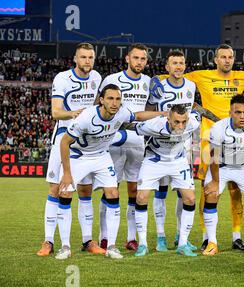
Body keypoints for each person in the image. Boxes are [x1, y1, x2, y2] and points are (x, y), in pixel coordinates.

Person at [152, 44, 244, 252]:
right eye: (223, 57)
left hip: (240, 141)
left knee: (237, 191)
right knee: (208, 189)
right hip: (210, 140)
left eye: (230, 57)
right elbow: (174, 75)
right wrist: (153, 81)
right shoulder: (201, 76)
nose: (227, 60)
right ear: (215, 60)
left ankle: (237, 236)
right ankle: (206, 237)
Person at [57, 84, 163, 260]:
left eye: (118, 99)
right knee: (66, 194)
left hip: (101, 157)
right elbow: (64, 142)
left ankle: (112, 246)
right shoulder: (86, 118)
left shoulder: (121, 112)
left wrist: (162, 114)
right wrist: (67, 173)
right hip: (79, 156)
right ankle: (65, 246)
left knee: (113, 193)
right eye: (110, 98)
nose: (115, 103)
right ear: (101, 100)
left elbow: (138, 116)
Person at [37, 43, 103, 257]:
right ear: (75, 58)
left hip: (87, 141)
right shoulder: (63, 79)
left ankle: (87, 241)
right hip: (64, 137)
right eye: (83, 57)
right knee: (56, 189)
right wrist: (78, 113)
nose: (87, 61)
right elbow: (56, 112)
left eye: (90, 57)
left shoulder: (97, 78)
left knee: (85, 190)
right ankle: (48, 241)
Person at [96, 43, 152, 252]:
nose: (139, 62)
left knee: (134, 190)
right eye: (135, 58)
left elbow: (150, 110)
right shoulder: (112, 80)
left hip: (138, 141)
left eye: (143, 59)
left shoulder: (148, 82)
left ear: (146, 61)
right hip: (115, 139)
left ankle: (131, 238)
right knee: (111, 189)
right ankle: (104, 237)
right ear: (127, 58)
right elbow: (99, 106)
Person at [130, 104, 200, 257]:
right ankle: (142, 244)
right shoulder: (153, 125)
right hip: (154, 161)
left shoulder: (193, 122)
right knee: (141, 197)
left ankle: (182, 243)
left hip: (178, 162)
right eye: (176, 122)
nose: (181, 126)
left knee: (190, 198)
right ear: (168, 119)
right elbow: (131, 126)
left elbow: (199, 112)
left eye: (184, 122)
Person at [202, 94, 244, 256]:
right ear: (230, 112)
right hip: (222, 167)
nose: (242, 116)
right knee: (211, 194)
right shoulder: (218, 128)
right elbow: (213, 157)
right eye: (238, 112)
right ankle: (212, 242)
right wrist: (215, 181)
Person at [147, 50, 197, 252]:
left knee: (183, 194)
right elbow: (149, 112)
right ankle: (160, 237)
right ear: (167, 67)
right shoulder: (159, 86)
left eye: (181, 63)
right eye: (174, 63)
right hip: (160, 146)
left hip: (183, 148)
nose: (178, 66)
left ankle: (179, 235)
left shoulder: (191, 86)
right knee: (160, 193)